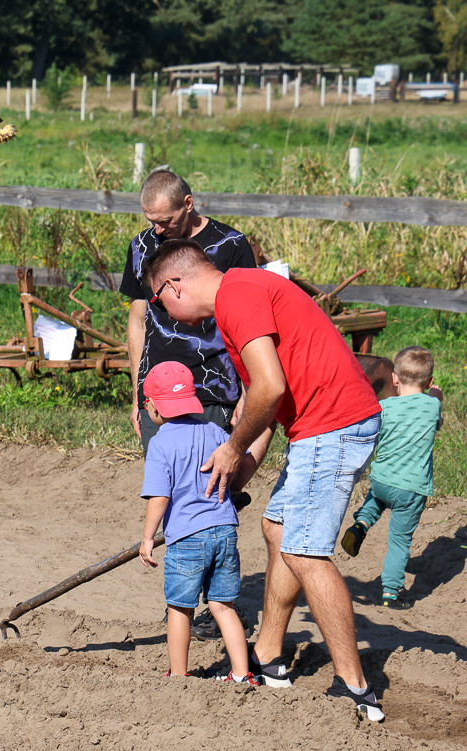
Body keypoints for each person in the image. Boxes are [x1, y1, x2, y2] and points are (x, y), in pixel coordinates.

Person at [142, 238, 385, 721]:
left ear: (174, 285)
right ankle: (270, 655)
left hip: (332, 423)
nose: (166, 315)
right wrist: (240, 470)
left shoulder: (238, 295)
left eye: (158, 301)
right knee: (277, 527)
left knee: (304, 550)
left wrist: (231, 448)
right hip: (318, 427)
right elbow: (265, 404)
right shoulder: (240, 300)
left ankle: (356, 688)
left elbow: (269, 389)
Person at [138, 360, 269, 683]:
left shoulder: (161, 443)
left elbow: (160, 497)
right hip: (224, 530)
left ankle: (180, 675)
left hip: (186, 537)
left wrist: (147, 538)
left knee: (180, 609)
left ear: (152, 406)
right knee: (222, 605)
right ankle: (242, 674)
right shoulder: (215, 432)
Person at [120, 169, 257, 454]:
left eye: (166, 221)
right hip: (156, 395)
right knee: (163, 487)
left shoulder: (231, 246)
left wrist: (248, 394)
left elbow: (249, 325)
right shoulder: (141, 247)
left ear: (188, 204)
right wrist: (137, 395)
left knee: (212, 488)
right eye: (152, 222)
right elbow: (137, 322)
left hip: (212, 391)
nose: (158, 230)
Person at [341, 346, 443, 609]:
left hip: (382, 480)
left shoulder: (383, 407)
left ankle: (361, 523)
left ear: (395, 378)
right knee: (399, 542)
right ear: (429, 381)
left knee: (376, 498)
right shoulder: (432, 406)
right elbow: (436, 408)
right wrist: (436, 393)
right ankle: (390, 593)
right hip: (411, 489)